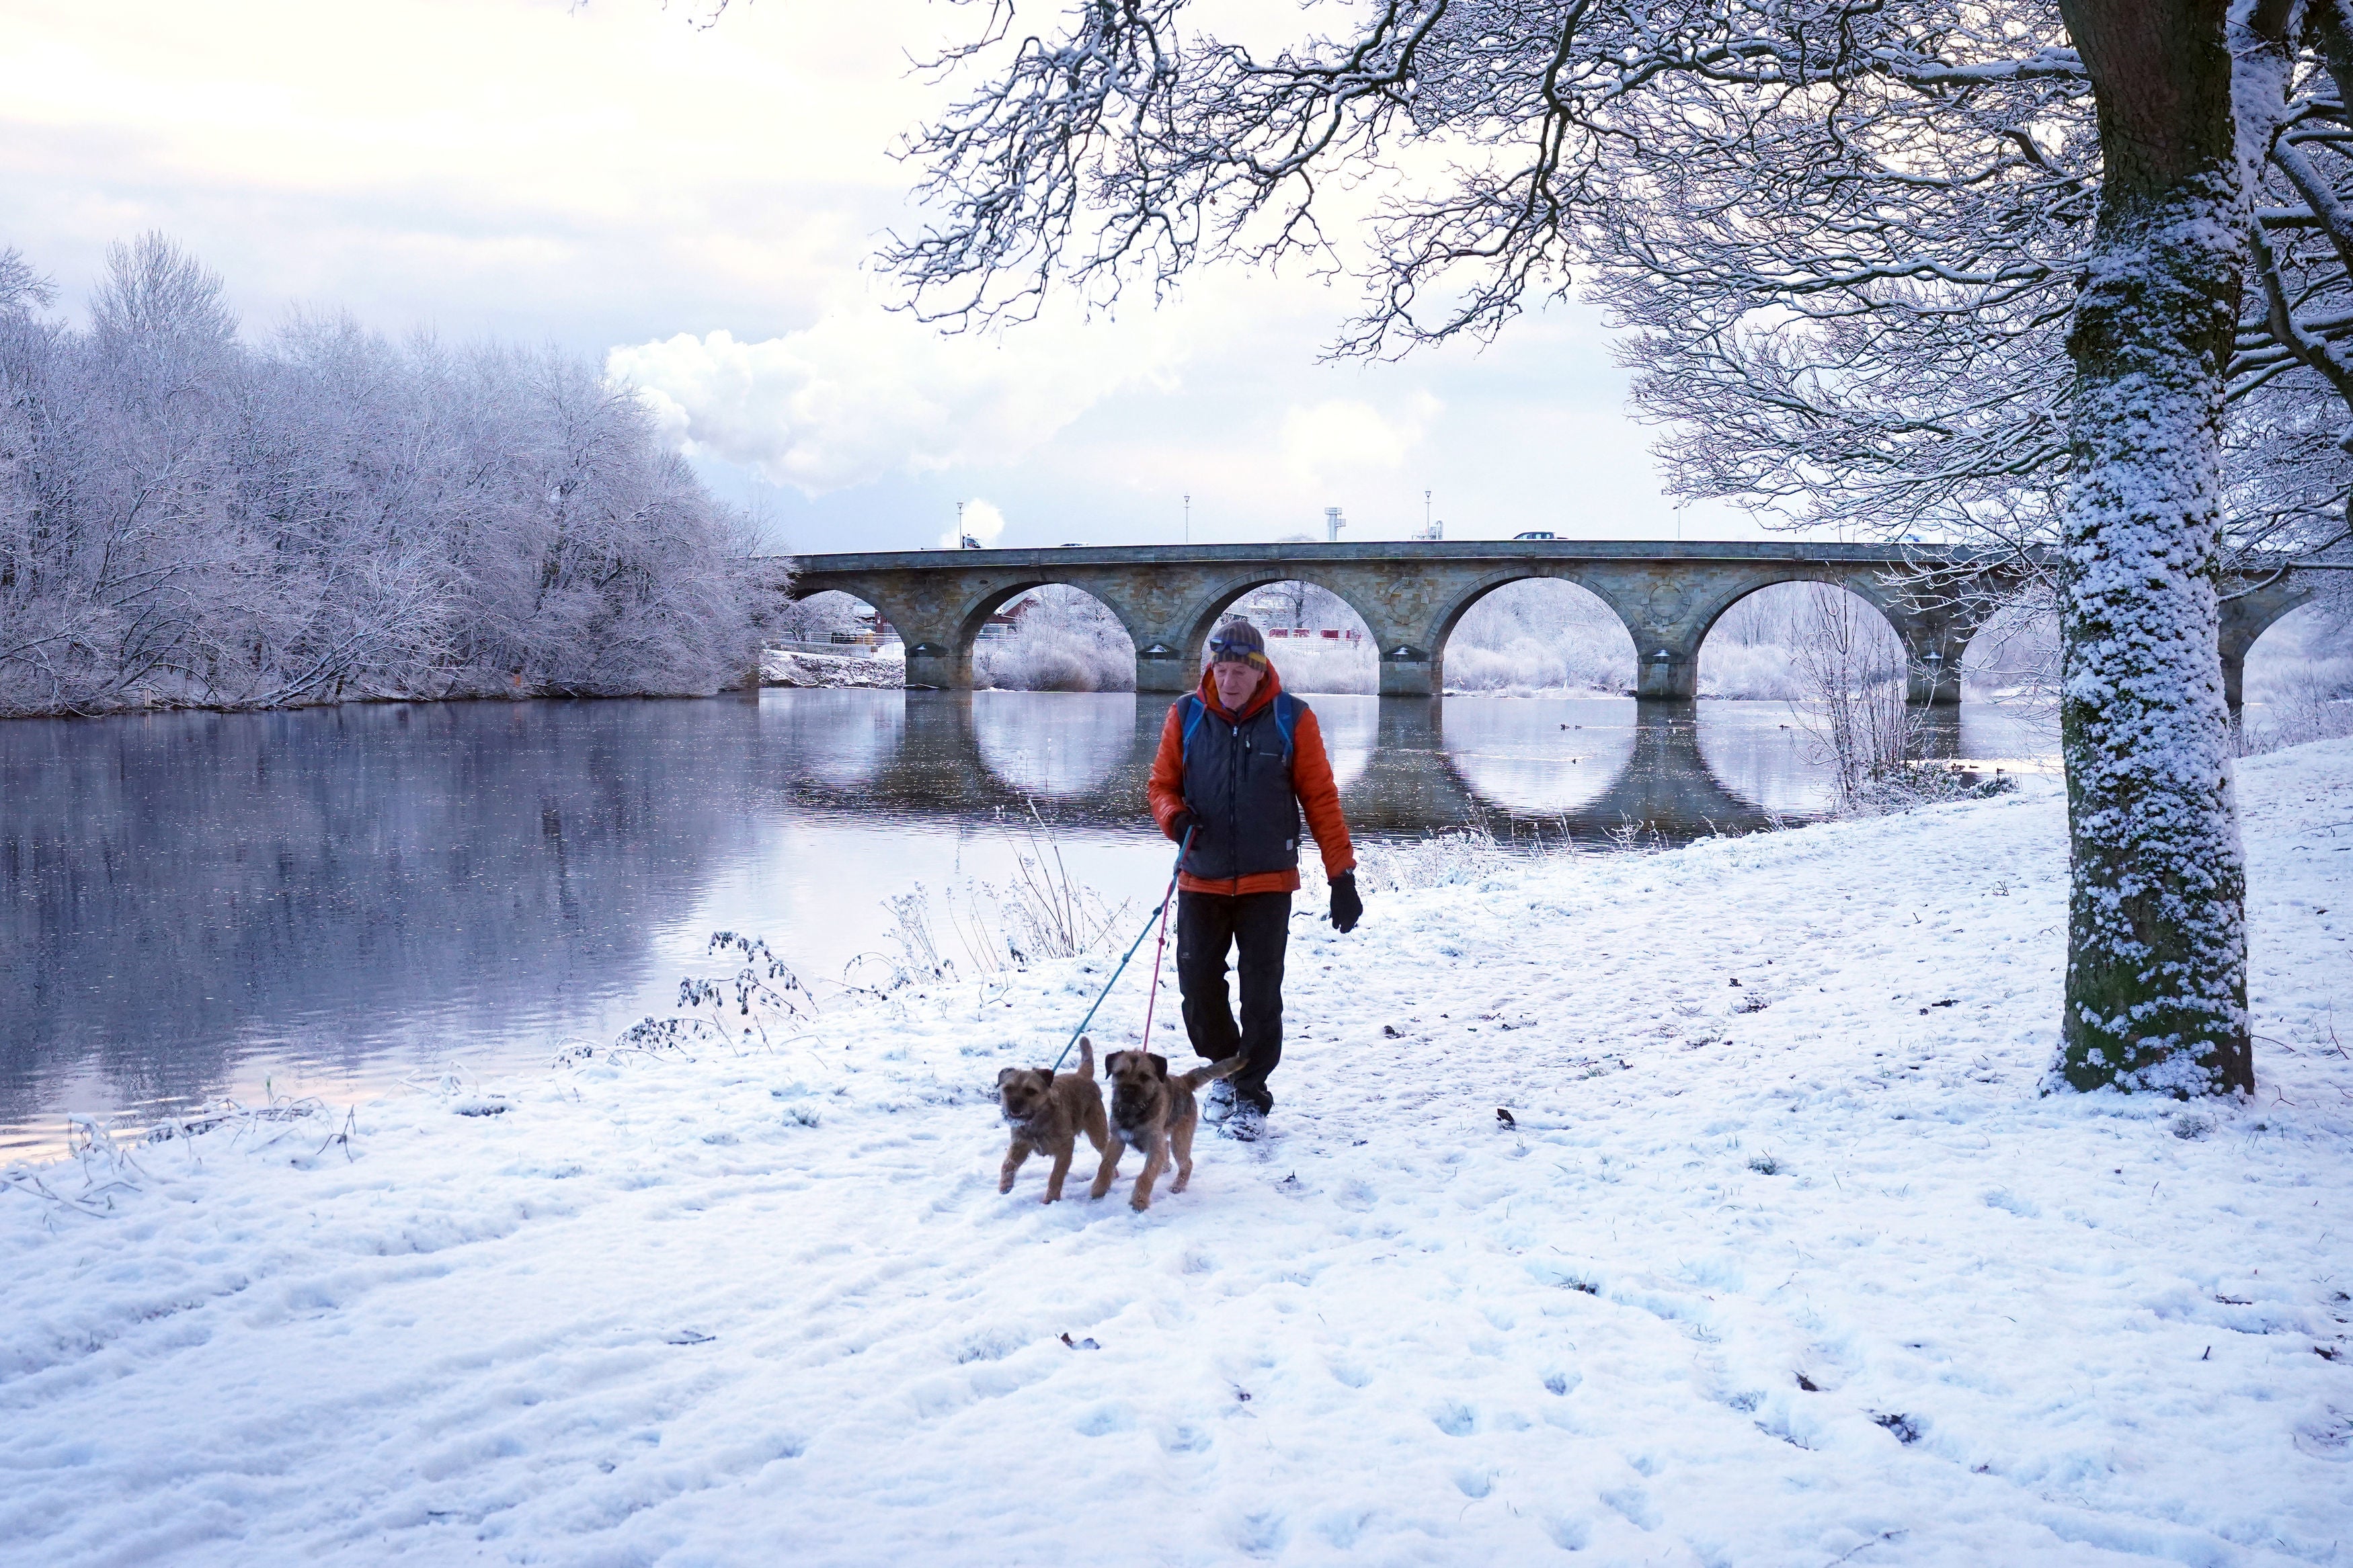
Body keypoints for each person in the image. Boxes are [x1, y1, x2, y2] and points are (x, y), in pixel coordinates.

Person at [1146, 617, 1363, 1141]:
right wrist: (1175, 818)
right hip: (1203, 878)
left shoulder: (1293, 719)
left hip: (1269, 881)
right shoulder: (1185, 715)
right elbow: (1160, 786)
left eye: (1240, 670)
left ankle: (1251, 1093)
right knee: (1199, 991)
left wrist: (1342, 875)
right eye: (1221, 669)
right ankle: (1226, 1065)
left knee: (1261, 994)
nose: (1229, 680)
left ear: (1260, 670)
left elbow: (1321, 800)